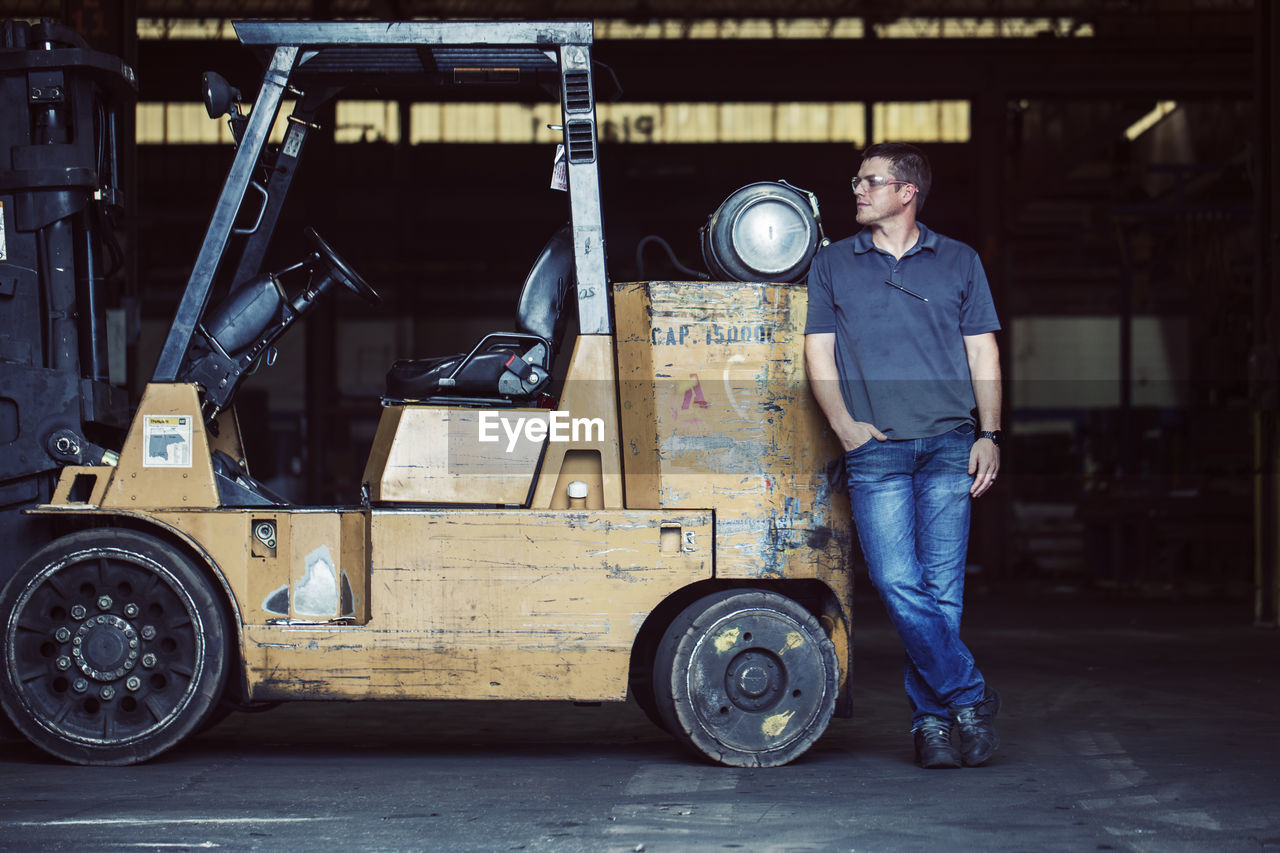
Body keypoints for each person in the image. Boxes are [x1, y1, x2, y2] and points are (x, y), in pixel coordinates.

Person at [804, 142, 1003, 769]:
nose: (857, 190)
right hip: (877, 450)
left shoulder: (960, 262)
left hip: (950, 443)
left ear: (906, 191)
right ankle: (970, 694)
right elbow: (818, 354)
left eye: (869, 181)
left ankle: (934, 725)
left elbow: (983, 355)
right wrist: (845, 427)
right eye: (858, 181)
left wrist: (989, 435)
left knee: (943, 593)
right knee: (896, 582)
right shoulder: (834, 263)